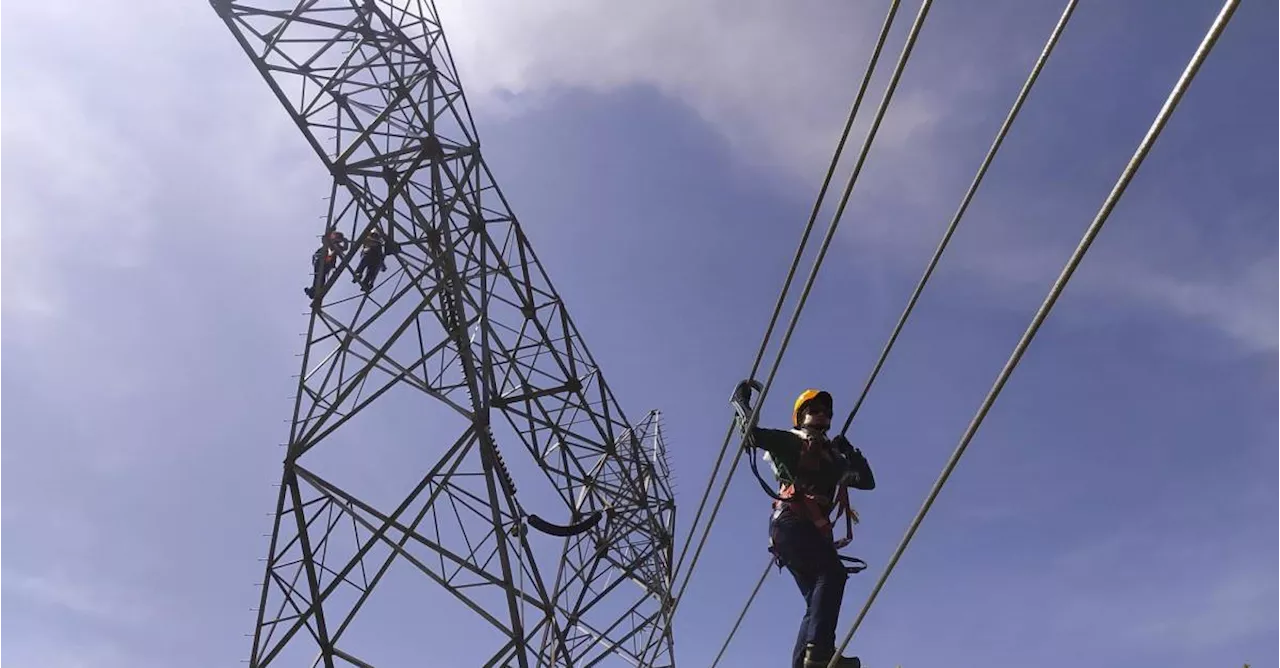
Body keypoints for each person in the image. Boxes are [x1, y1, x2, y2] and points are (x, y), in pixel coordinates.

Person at [745, 388, 875, 668]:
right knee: (832, 573)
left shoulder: (834, 459)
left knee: (815, 599)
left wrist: (849, 452)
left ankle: (808, 660)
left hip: (804, 532)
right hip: (791, 523)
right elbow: (753, 436)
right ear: (801, 416)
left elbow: (866, 481)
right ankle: (819, 652)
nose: (822, 415)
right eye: (814, 410)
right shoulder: (792, 442)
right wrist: (743, 405)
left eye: (826, 412)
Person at [305, 230, 349, 300]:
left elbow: (345, 248)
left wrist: (345, 241)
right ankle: (313, 292)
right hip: (320, 261)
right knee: (318, 278)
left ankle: (313, 292)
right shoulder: (328, 242)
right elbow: (324, 238)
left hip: (327, 264)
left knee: (321, 280)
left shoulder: (336, 245)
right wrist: (331, 231)